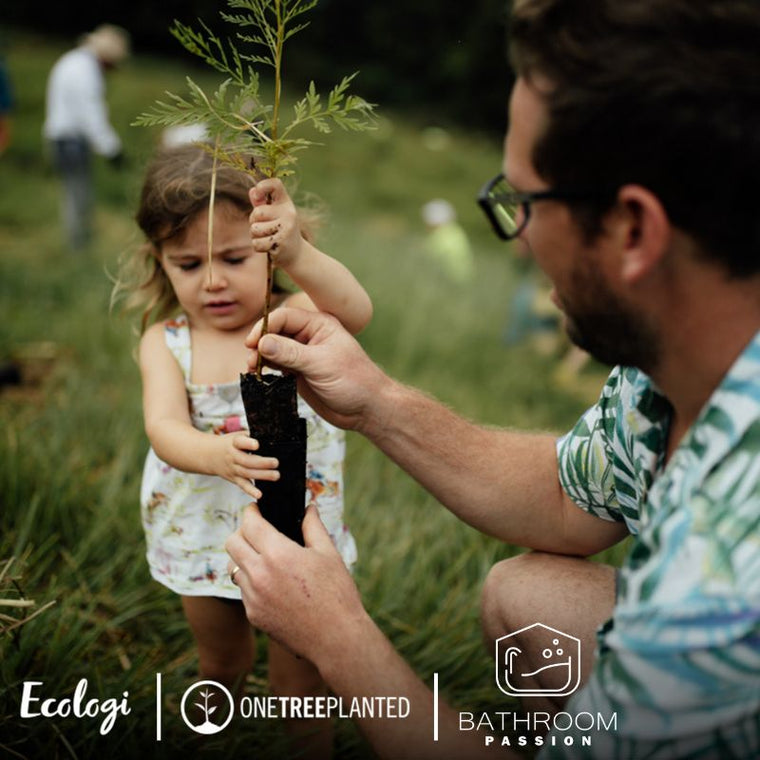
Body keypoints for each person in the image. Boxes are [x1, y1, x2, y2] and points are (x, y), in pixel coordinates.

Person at [225, 0, 760, 758]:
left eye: (523, 202)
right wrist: (374, 400)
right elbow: (569, 494)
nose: (518, 238)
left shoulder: (728, 567)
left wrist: (338, 636)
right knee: (527, 596)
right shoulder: (667, 374)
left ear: (634, 230)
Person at [117, 143, 372, 757]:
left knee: (301, 677)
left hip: (294, 536)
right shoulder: (167, 341)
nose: (212, 281)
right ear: (160, 262)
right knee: (222, 660)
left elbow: (356, 310)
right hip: (200, 537)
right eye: (186, 264)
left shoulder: (291, 318)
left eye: (235, 258)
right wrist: (216, 457)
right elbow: (164, 426)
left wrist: (302, 254)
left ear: (267, 251)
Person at [43, 24, 130, 249]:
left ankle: (78, 243)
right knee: (78, 196)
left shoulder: (72, 61)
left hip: (61, 137)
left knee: (73, 193)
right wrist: (111, 147)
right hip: (70, 140)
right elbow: (90, 113)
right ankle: (78, 246)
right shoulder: (85, 70)